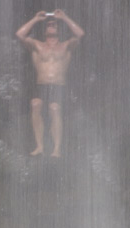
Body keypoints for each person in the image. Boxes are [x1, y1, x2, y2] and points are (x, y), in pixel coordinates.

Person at [15, 9, 85, 157]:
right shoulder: (36, 45)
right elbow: (20, 34)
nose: (51, 25)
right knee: (35, 104)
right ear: (45, 29)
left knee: (54, 108)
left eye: (54, 24)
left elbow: (80, 34)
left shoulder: (66, 45)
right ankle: (40, 146)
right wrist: (35, 19)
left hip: (59, 86)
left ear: (59, 29)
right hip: (41, 84)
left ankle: (56, 148)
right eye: (49, 24)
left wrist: (65, 17)